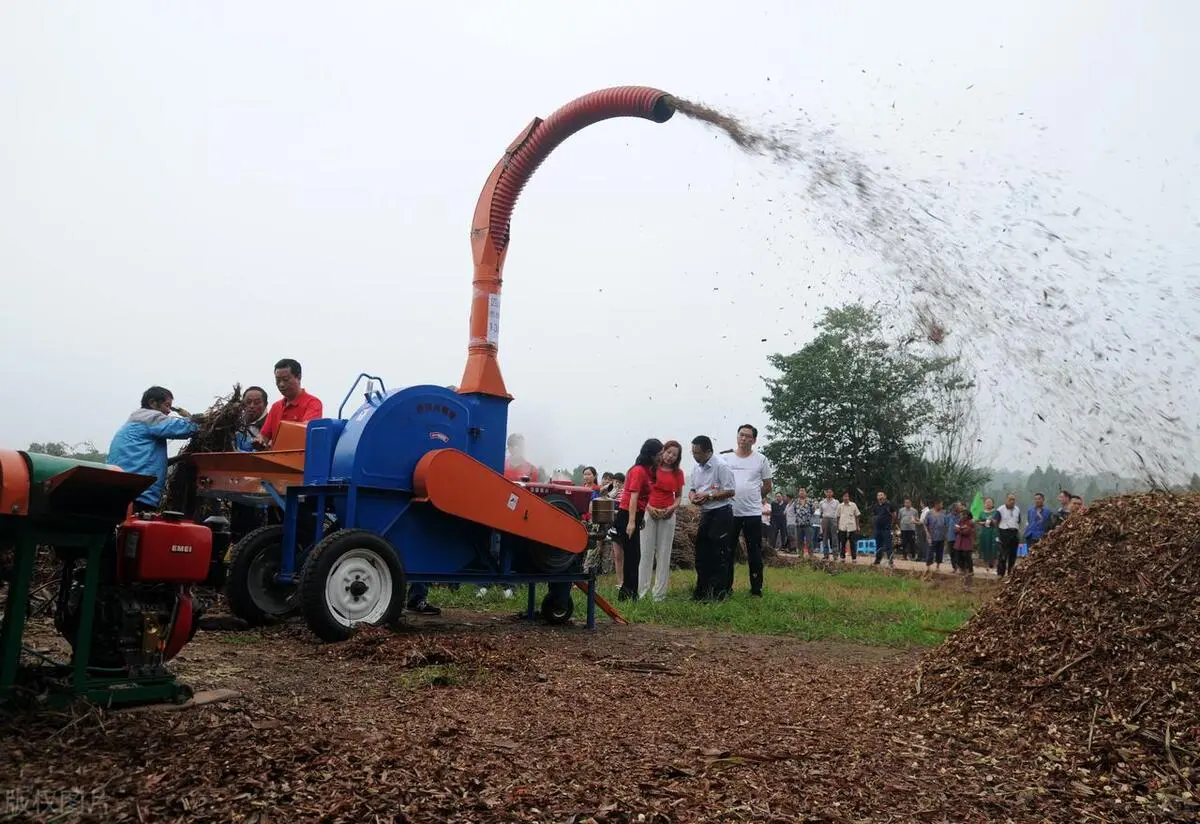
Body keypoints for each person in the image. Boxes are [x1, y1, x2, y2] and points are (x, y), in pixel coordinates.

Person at [107, 386, 204, 513]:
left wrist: (179, 458)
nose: (169, 411)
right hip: (139, 495)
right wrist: (202, 420)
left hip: (123, 491)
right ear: (152, 403)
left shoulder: (135, 422)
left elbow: (147, 462)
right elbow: (183, 428)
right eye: (167, 405)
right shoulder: (149, 417)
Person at [723, 425, 773, 596]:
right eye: (741, 435)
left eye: (748, 436)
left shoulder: (761, 459)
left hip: (752, 512)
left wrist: (753, 495)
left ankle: (756, 589)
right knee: (728, 550)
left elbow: (767, 485)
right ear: (737, 437)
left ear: (754, 440)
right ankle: (725, 587)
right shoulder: (726, 459)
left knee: (754, 552)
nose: (744, 439)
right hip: (730, 512)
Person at [687, 435, 736, 601]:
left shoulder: (721, 466)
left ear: (708, 451)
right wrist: (693, 497)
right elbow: (692, 489)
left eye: (698, 453)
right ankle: (701, 591)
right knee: (702, 553)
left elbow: (730, 491)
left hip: (721, 512)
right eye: (693, 452)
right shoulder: (696, 468)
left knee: (718, 554)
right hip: (706, 513)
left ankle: (718, 593)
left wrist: (709, 495)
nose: (695, 456)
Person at [615, 439, 661, 601]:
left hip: (636, 514)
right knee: (632, 556)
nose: (661, 457)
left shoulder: (650, 471)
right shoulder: (638, 471)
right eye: (659, 454)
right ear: (650, 454)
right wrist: (632, 521)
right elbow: (633, 497)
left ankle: (630, 593)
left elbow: (644, 498)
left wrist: (640, 518)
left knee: (635, 556)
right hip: (626, 514)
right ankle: (627, 594)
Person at [639, 440, 685, 601]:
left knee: (664, 554)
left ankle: (659, 595)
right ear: (662, 451)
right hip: (648, 512)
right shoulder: (651, 469)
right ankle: (642, 592)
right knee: (645, 553)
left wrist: (671, 509)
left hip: (668, 514)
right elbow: (642, 493)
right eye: (668, 452)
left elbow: (678, 496)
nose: (670, 456)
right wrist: (650, 508)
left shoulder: (678, 473)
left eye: (674, 454)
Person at [259, 358, 323, 448]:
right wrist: (259, 441)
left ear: (299, 377)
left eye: (286, 379)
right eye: (278, 380)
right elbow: (263, 437)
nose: (281, 384)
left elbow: (305, 430)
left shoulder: (313, 403)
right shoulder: (276, 407)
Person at [995, 493, 1022, 578]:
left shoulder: (1017, 509)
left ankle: (1010, 573)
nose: (1012, 501)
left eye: (1013, 499)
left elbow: (1019, 521)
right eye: (1010, 499)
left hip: (1014, 533)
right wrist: (998, 535)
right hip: (1004, 533)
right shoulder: (1000, 509)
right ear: (1006, 500)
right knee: (1003, 555)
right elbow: (996, 522)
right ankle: (1000, 573)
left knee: (1013, 555)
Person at [235, 385, 269, 452]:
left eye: (257, 402)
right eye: (248, 402)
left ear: (265, 404)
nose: (252, 406)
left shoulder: (271, 425)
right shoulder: (234, 424)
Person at [870, 491, 898, 568]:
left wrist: (891, 524)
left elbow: (894, 515)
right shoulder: (875, 506)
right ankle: (877, 560)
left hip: (886, 528)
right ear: (877, 497)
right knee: (878, 545)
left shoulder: (889, 505)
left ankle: (891, 561)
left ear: (885, 496)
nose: (880, 496)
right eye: (878, 495)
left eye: (881, 495)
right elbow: (875, 515)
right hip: (878, 528)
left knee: (888, 545)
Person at [952, 509, 976, 590]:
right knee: (958, 557)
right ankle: (962, 569)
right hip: (959, 543)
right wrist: (960, 529)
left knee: (967, 557)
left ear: (968, 516)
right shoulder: (960, 521)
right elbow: (955, 530)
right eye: (962, 514)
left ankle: (970, 571)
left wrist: (959, 530)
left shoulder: (970, 522)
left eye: (964, 514)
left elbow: (967, 532)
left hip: (967, 543)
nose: (962, 516)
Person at [922, 500, 949, 572]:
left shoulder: (944, 513)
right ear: (936, 504)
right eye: (941, 504)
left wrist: (946, 534)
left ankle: (938, 566)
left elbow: (946, 525)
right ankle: (928, 567)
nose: (942, 506)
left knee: (940, 552)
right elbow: (925, 524)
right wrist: (927, 533)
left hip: (941, 536)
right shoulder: (929, 513)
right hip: (931, 536)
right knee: (930, 551)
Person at [836, 491, 861, 562]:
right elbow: (837, 517)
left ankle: (854, 558)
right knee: (842, 543)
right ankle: (842, 557)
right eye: (844, 496)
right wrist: (837, 527)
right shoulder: (840, 506)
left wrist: (858, 526)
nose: (846, 498)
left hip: (852, 527)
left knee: (853, 543)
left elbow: (857, 516)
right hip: (842, 527)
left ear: (849, 497)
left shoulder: (853, 505)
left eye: (847, 496)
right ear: (842, 497)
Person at [790, 488, 816, 556]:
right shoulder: (795, 501)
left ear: (806, 493)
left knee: (809, 541)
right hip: (798, 524)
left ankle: (811, 555)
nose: (802, 492)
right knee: (799, 541)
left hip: (808, 524)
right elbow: (794, 511)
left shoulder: (810, 501)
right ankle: (800, 555)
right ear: (798, 493)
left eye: (803, 491)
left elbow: (813, 511)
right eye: (800, 491)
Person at [977, 497, 1000, 572]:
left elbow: (998, 521)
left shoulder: (996, 512)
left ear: (993, 504)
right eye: (986, 502)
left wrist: (992, 521)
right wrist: (984, 522)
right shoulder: (981, 513)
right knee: (985, 548)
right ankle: (986, 567)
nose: (988, 503)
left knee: (994, 548)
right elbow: (978, 522)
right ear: (984, 504)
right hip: (985, 533)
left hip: (994, 532)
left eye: (990, 502)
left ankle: (995, 567)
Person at [818, 489, 839, 559]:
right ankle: (826, 555)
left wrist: (837, 523)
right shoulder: (822, 502)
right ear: (825, 493)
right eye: (827, 492)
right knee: (825, 537)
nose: (829, 493)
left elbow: (838, 513)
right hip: (825, 519)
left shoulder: (836, 502)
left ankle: (835, 555)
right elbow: (820, 513)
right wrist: (821, 523)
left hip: (833, 519)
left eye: (830, 492)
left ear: (832, 493)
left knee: (834, 537)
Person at [897, 497, 919, 562]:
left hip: (911, 529)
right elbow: (899, 518)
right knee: (904, 543)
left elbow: (917, 519)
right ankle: (904, 556)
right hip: (903, 529)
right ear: (904, 503)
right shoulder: (901, 510)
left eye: (908, 502)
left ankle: (913, 556)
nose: (907, 504)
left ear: (910, 503)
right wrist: (900, 526)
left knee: (912, 543)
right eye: (906, 502)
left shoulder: (915, 511)